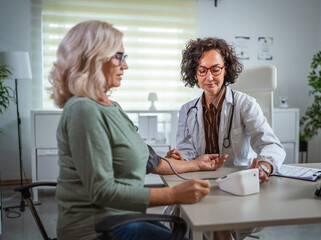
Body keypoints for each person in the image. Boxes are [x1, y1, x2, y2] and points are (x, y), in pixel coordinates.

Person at [50, 20, 227, 240]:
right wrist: (173, 194)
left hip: (124, 221)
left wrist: (196, 164)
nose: (125, 66)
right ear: (93, 59)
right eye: (119, 57)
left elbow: (149, 161)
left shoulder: (112, 107)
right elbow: (102, 192)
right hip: (97, 231)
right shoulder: (83, 110)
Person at [166, 37, 286, 240]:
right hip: (201, 182)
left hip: (235, 184)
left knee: (216, 222)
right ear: (194, 73)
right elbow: (186, 151)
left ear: (225, 68)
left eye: (215, 69)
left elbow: (270, 144)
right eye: (202, 70)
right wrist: (180, 156)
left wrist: (264, 167)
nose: (209, 77)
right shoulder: (187, 111)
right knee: (187, 216)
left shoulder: (245, 104)